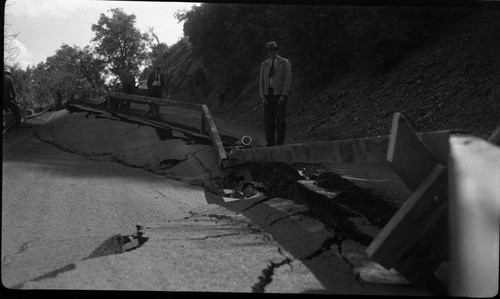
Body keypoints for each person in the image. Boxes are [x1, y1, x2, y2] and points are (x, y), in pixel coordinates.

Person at [259, 41, 292, 146]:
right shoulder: (264, 64)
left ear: (276, 51)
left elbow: (287, 79)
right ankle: (270, 143)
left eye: (273, 50)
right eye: (269, 51)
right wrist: (262, 95)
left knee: (280, 120)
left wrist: (284, 95)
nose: (271, 52)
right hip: (268, 94)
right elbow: (261, 81)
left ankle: (279, 143)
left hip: (279, 94)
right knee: (269, 121)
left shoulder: (284, 62)